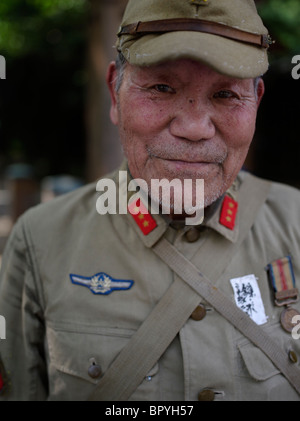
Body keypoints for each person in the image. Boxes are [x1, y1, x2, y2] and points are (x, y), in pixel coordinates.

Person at [0, 0, 300, 401]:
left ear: (256, 103)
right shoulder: (41, 241)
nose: (194, 128)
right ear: (114, 93)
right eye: (161, 87)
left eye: (226, 93)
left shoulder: (295, 223)